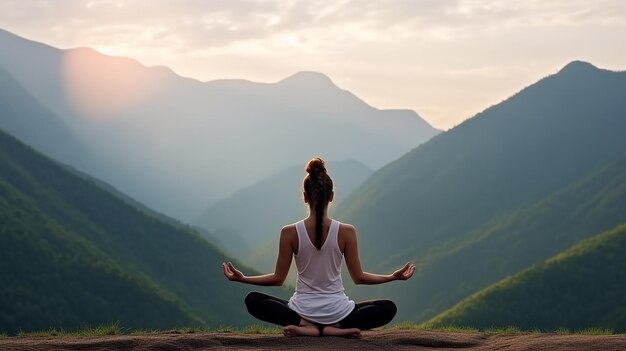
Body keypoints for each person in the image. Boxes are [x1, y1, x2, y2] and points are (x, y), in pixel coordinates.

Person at [222, 157, 415, 338]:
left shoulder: (289, 232)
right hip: (339, 312)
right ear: (331, 196)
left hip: (301, 310)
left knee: (253, 300)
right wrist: (392, 277)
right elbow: (359, 277)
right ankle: (336, 328)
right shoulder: (347, 231)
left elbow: (278, 278)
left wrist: (243, 279)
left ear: (305, 197)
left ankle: (307, 325)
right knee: (387, 307)